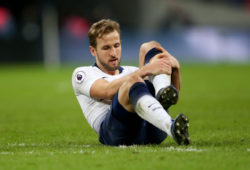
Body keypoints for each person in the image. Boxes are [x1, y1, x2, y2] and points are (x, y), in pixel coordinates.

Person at [72, 19, 190, 146]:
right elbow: (107, 90)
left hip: (151, 129)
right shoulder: (82, 73)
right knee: (133, 81)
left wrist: (175, 69)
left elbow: (174, 99)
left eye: (116, 46)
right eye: (106, 48)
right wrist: (147, 69)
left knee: (149, 47)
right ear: (93, 51)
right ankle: (171, 125)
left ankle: (162, 91)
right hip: (116, 133)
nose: (113, 53)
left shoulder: (133, 71)